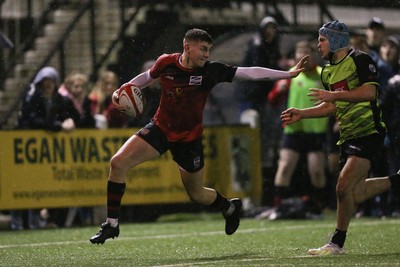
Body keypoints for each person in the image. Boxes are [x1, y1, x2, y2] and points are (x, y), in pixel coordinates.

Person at [89, 28, 308, 244]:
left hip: (189, 139)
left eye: (208, 50)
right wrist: (126, 87)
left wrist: (287, 74)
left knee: (196, 194)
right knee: (118, 163)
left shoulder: (210, 71)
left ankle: (229, 207)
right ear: (187, 47)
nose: (206, 54)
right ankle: (112, 224)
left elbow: (249, 72)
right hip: (160, 129)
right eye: (203, 49)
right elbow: (147, 77)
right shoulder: (166, 62)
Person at [281, 20, 400, 255]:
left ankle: (336, 243)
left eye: (322, 40)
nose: (318, 45)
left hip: (368, 130)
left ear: (336, 40)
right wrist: (302, 113)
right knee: (355, 193)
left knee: (342, 187)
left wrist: (333, 95)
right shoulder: (327, 71)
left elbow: (370, 92)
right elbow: (331, 106)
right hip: (348, 135)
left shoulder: (360, 60)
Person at [12, 66, 77, 230]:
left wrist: (69, 121)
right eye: (45, 82)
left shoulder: (58, 98)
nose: (48, 85)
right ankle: (18, 221)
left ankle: (36, 220)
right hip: (28, 145)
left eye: (51, 81)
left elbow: (67, 115)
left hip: (43, 149)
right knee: (21, 185)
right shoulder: (32, 95)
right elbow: (33, 119)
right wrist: (58, 126)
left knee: (38, 185)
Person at [268, 40, 328, 215]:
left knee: (316, 170)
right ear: (295, 55)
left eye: (306, 51)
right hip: (293, 129)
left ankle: (318, 207)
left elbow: (334, 99)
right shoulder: (290, 75)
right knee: (285, 166)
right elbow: (272, 100)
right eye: (299, 52)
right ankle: (278, 207)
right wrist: (278, 90)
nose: (303, 55)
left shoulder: (323, 74)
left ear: (314, 54)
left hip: (316, 130)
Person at [236, 16, 284, 205]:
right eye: (268, 28)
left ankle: (260, 196)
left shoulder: (271, 47)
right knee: (250, 146)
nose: (270, 32)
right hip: (251, 101)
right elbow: (260, 73)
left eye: (273, 28)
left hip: (261, 101)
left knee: (262, 149)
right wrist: (281, 70)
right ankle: (249, 197)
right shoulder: (257, 46)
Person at [59, 72, 96, 227]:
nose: (79, 89)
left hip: (83, 149)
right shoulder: (64, 100)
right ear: (70, 86)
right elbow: (63, 118)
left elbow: (90, 122)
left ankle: (84, 217)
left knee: (85, 184)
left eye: (81, 86)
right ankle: (64, 219)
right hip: (68, 148)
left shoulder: (86, 101)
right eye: (76, 86)